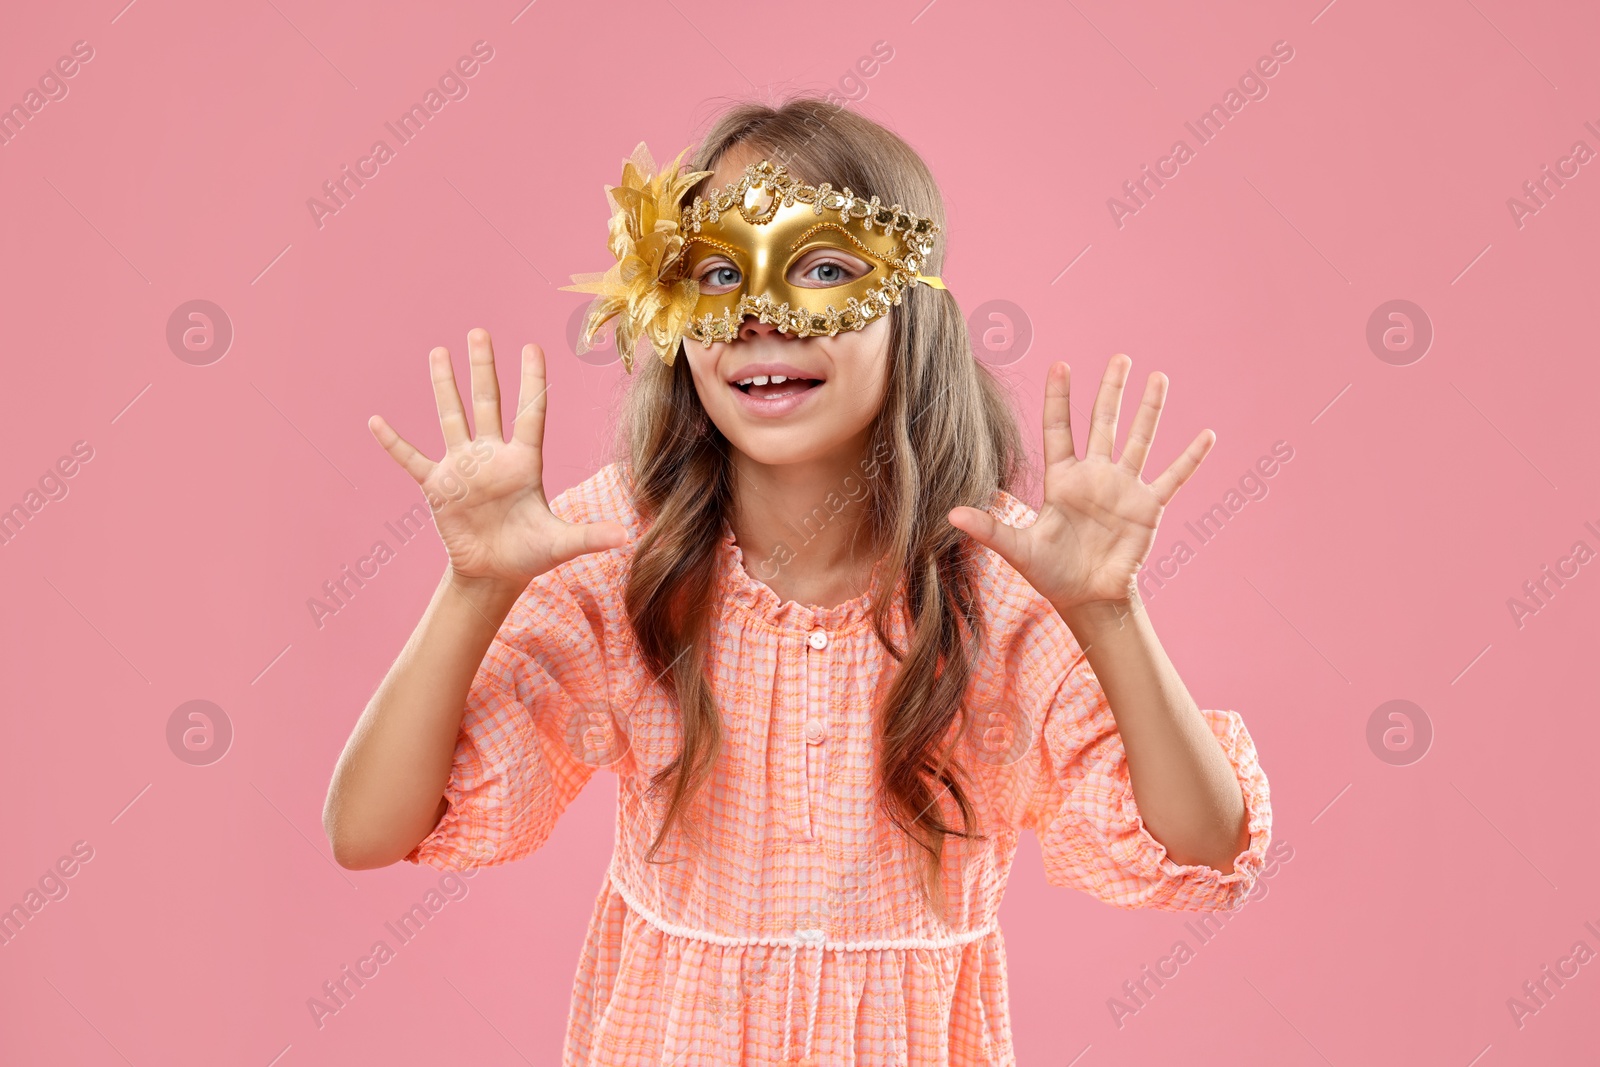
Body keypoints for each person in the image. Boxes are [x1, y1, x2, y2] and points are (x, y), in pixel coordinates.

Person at [321, 96, 1273, 1066]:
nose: (760, 313)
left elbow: (1203, 845)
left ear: (913, 304)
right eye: (718, 272)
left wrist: (1109, 615)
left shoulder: (1003, 578)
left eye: (821, 267)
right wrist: (472, 590)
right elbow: (367, 829)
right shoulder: (617, 548)